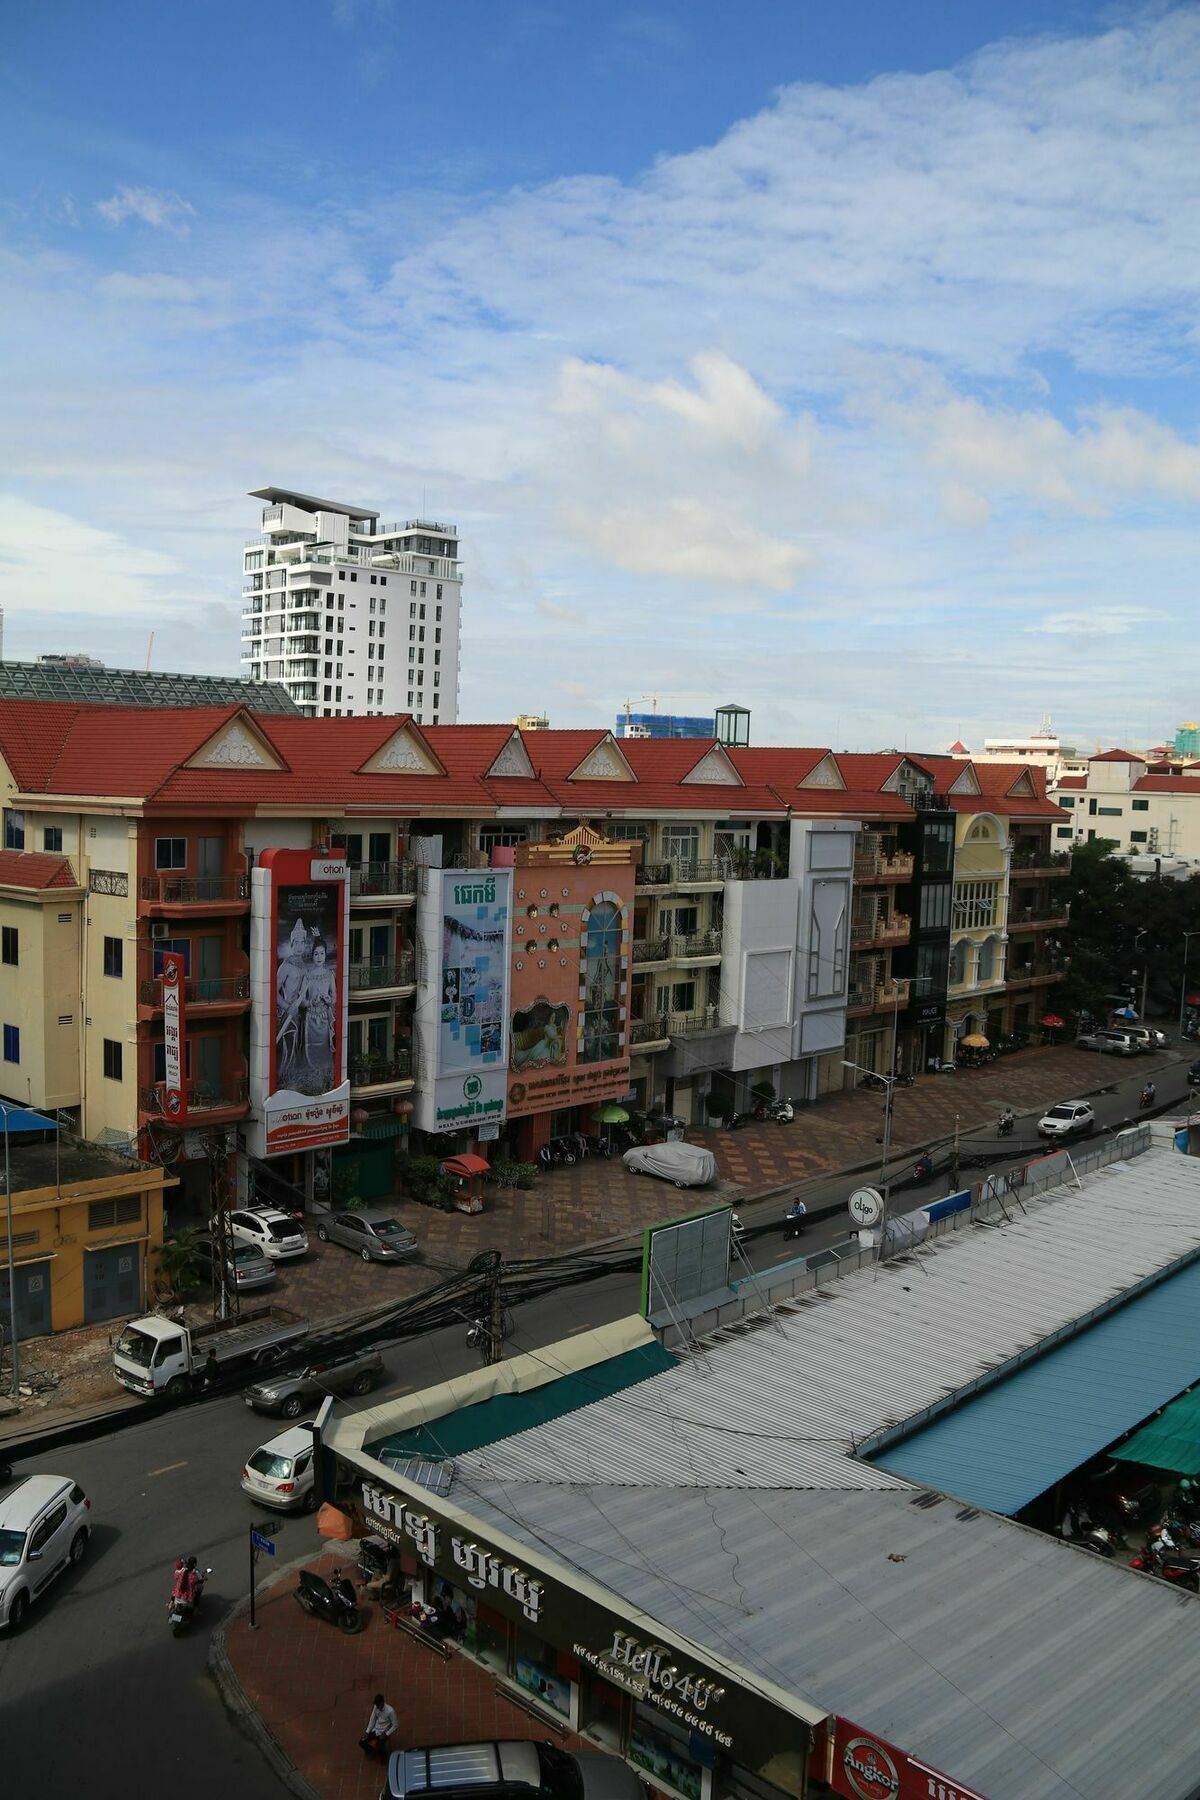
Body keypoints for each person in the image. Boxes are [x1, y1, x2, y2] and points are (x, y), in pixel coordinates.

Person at [360, 1694, 398, 1763]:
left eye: (378, 1705)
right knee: (361, 1742)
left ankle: (382, 1757)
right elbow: (372, 1719)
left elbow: (395, 1725)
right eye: (376, 1705)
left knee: (380, 1747)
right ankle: (371, 1752)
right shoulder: (376, 1707)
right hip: (376, 1730)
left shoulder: (390, 1711)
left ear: (382, 1702)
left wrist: (386, 1734)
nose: (377, 1707)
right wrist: (367, 1731)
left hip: (384, 1733)